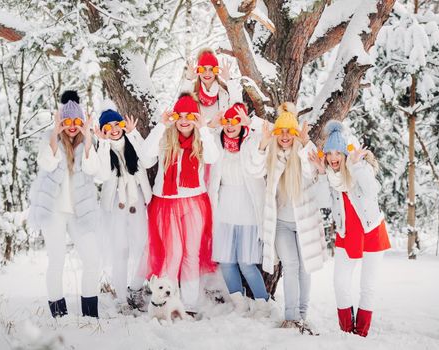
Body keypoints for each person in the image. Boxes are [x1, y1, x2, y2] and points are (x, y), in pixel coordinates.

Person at [248, 102, 328, 329]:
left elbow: (314, 171)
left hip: (306, 223)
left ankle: (302, 314)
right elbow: (254, 169)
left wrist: (303, 142)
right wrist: (263, 144)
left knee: (305, 267)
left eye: (289, 132)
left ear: (295, 134)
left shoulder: (304, 155)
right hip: (281, 224)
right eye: (280, 131)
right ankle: (291, 316)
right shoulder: (272, 156)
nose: (284, 136)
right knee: (291, 265)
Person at [138, 93, 219, 314]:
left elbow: (213, 158)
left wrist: (203, 129)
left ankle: (190, 305)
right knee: (172, 254)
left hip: (194, 202)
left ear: (196, 117)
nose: (184, 120)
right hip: (166, 204)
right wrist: (161, 126)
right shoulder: (165, 138)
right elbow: (144, 159)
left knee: (191, 254)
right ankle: (165, 303)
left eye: (189, 115)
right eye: (179, 115)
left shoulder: (203, 139)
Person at [309, 120, 391, 337]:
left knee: (368, 286)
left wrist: (355, 166)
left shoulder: (359, 167)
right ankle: (347, 331)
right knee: (340, 283)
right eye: (329, 153)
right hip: (347, 233)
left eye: (338, 152)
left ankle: (361, 333)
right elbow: (323, 202)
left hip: (371, 231)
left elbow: (373, 190)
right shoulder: (329, 174)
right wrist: (321, 174)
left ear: (345, 153)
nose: (333, 158)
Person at [28, 90, 101, 318]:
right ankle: (58, 314)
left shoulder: (86, 144)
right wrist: (54, 134)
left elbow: (93, 170)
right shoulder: (51, 141)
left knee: (92, 260)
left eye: (76, 122)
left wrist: (88, 136)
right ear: (61, 122)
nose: (71, 126)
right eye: (67, 121)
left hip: (80, 213)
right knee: (56, 261)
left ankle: (90, 314)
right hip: (54, 213)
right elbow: (46, 163)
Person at [208, 103, 271, 315]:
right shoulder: (217, 142)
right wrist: (211, 125)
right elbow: (201, 140)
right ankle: (239, 303)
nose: (230, 125)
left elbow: (268, 132)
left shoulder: (252, 140)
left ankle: (263, 303)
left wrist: (251, 123)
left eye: (235, 120)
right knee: (226, 261)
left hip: (247, 207)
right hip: (224, 206)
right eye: (227, 121)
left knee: (246, 263)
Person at [94, 106, 152, 313]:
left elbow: (147, 159)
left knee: (146, 247)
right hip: (116, 207)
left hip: (137, 203)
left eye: (117, 124)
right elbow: (100, 175)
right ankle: (120, 298)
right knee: (121, 252)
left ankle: (135, 288)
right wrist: (101, 142)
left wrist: (134, 133)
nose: (114, 129)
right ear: (103, 130)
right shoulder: (101, 149)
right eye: (108, 127)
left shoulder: (132, 143)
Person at [182, 48, 233, 123]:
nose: (207, 73)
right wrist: (188, 79)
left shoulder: (224, 90)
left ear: (216, 71)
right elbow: (181, 107)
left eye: (211, 69)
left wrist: (229, 80)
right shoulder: (191, 90)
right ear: (199, 70)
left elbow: (237, 106)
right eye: (203, 69)